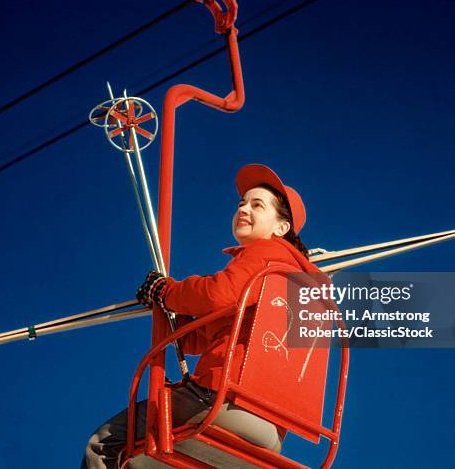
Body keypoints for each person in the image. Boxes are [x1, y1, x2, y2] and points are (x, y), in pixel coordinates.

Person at [82, 164, 325, 469]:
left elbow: (217, 294)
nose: (244, 209)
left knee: (106, 444)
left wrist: (166, 292)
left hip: (223, 401)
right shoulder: (306, 289)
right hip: (271, 433)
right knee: (142, 465)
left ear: (281, 228)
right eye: (241, 203)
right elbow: (210, 331)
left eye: (257, 205)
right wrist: (173, 316)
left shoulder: (265, 253)